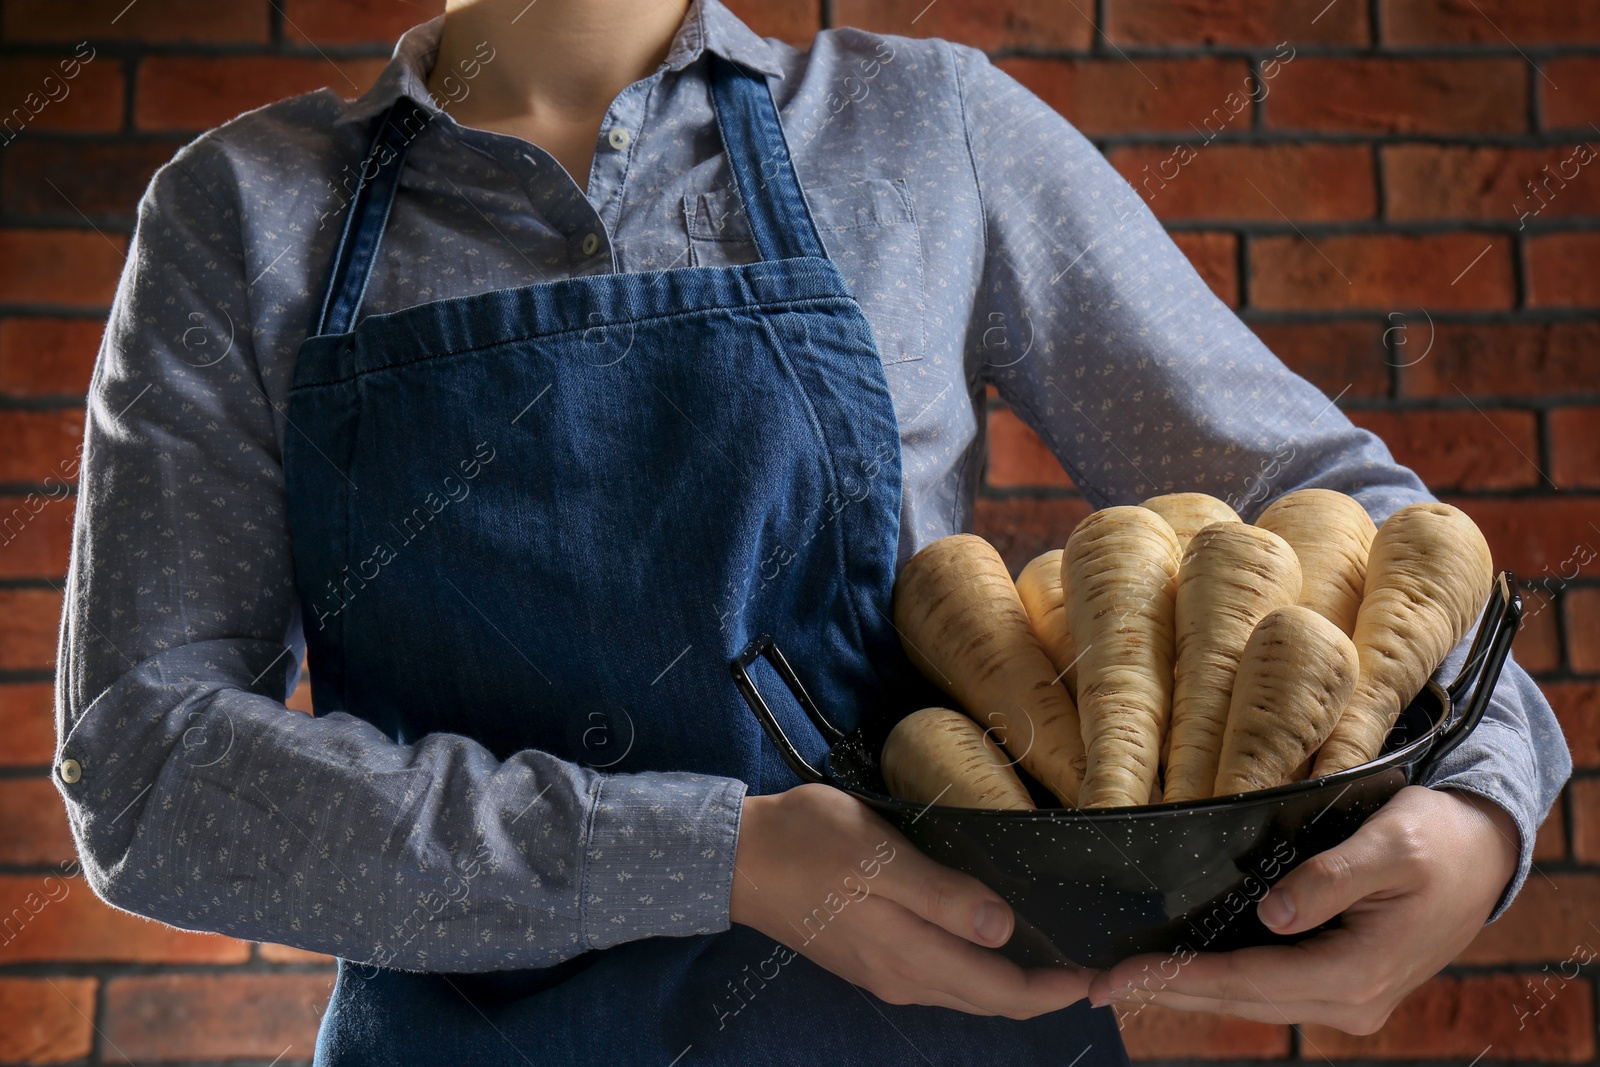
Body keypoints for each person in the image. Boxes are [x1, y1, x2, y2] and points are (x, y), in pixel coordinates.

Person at [53, 0, 1570, 1062]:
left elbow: (1337, 507)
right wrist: (725, 856)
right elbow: (149, 766)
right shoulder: (241, 215)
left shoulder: (928, 131)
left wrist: (1480, 805)